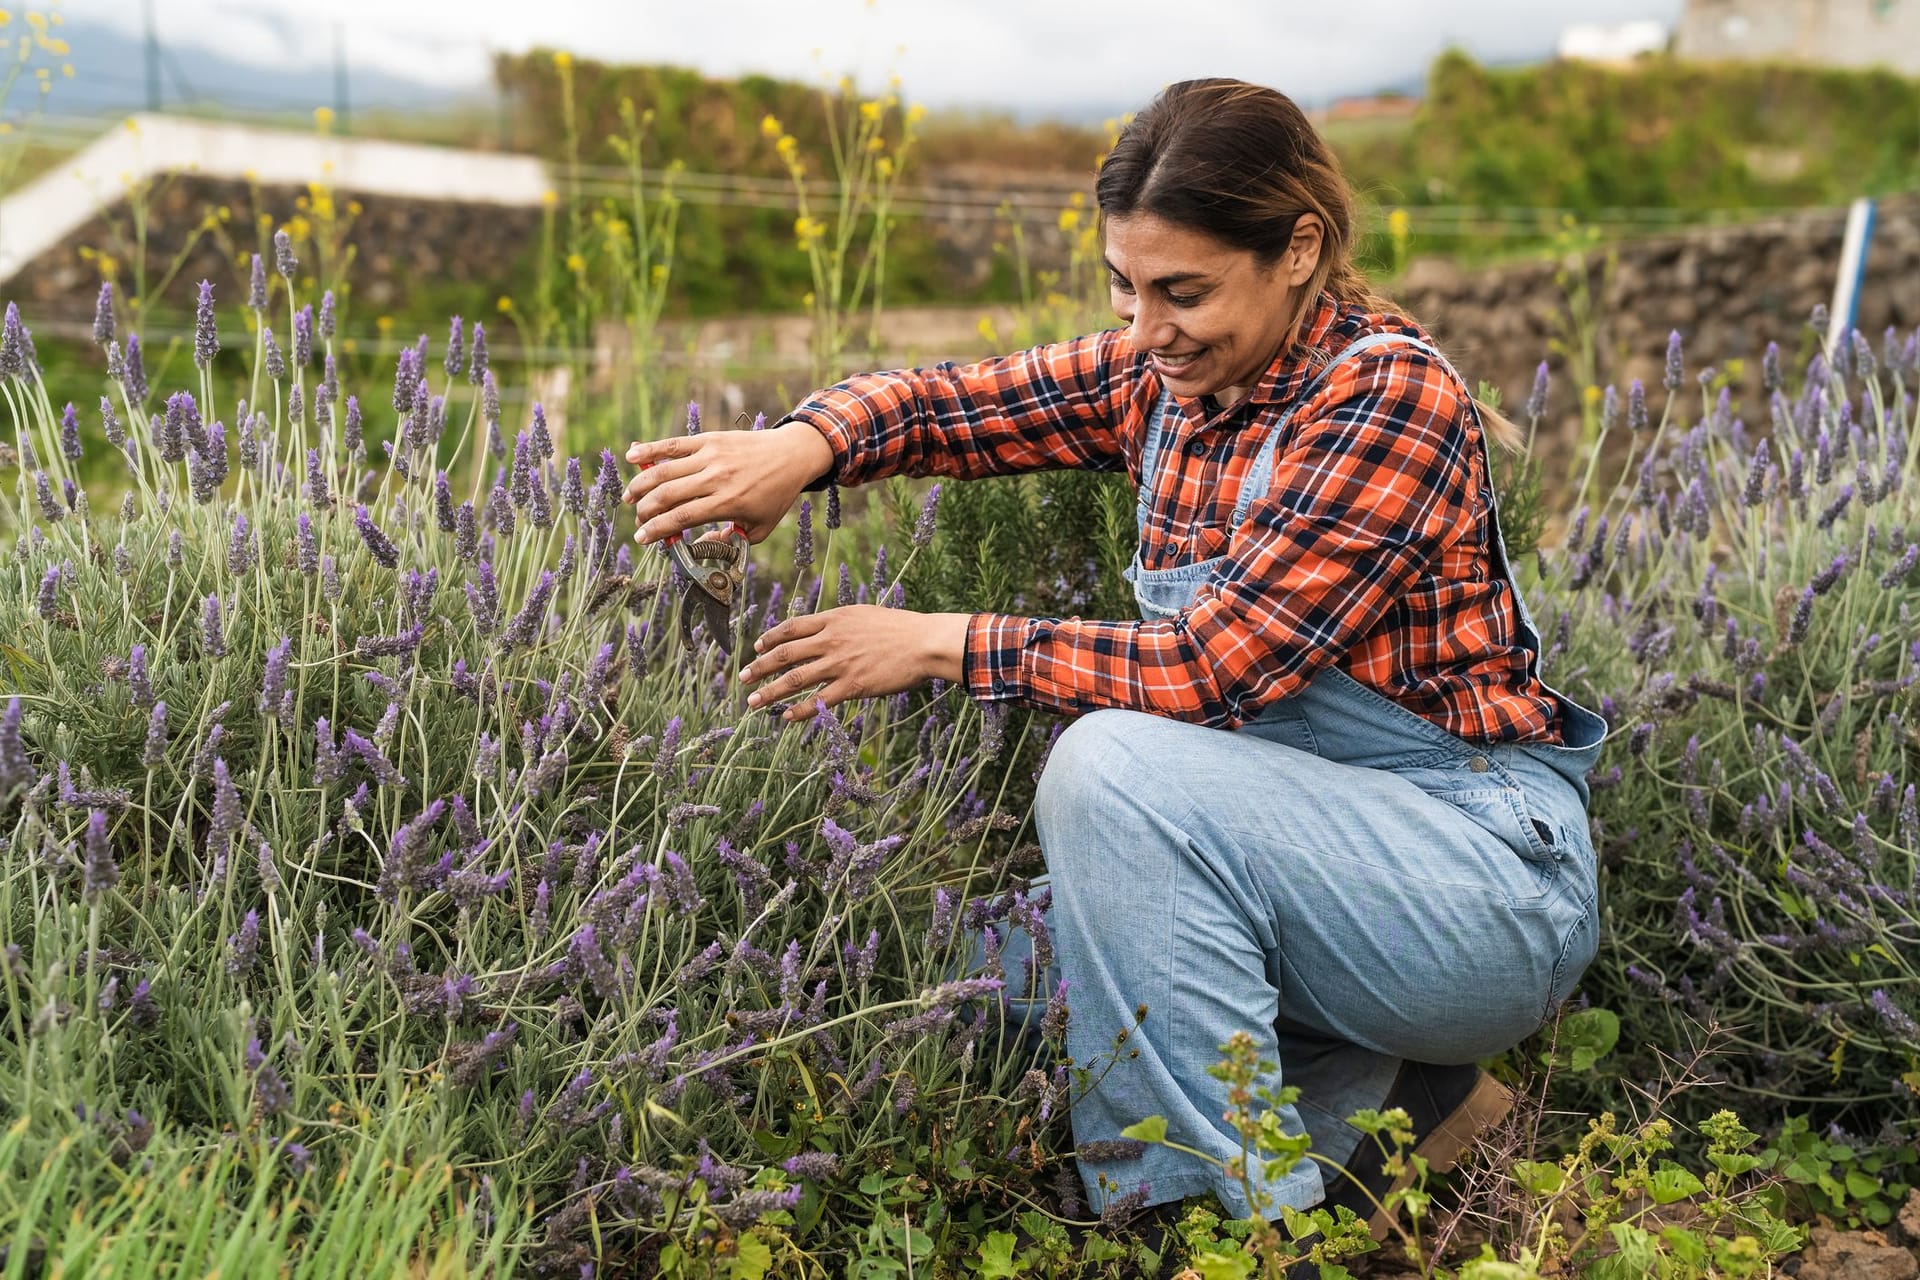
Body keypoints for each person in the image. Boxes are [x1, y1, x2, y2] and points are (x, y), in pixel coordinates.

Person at [623, 77, 1606, 1243]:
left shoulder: (1387, 393)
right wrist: (805, 443)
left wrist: (940, 641)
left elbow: (1210, 668)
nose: (1145, 331)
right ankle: (1394, 1105)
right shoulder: (1170, 382)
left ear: (1298, 249)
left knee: (1112, 770)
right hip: (1303, 878)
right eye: (1125, 288)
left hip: (1477, 890)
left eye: (1182, 291)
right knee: (968, 975)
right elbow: (956, 406)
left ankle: (1226, 1228)